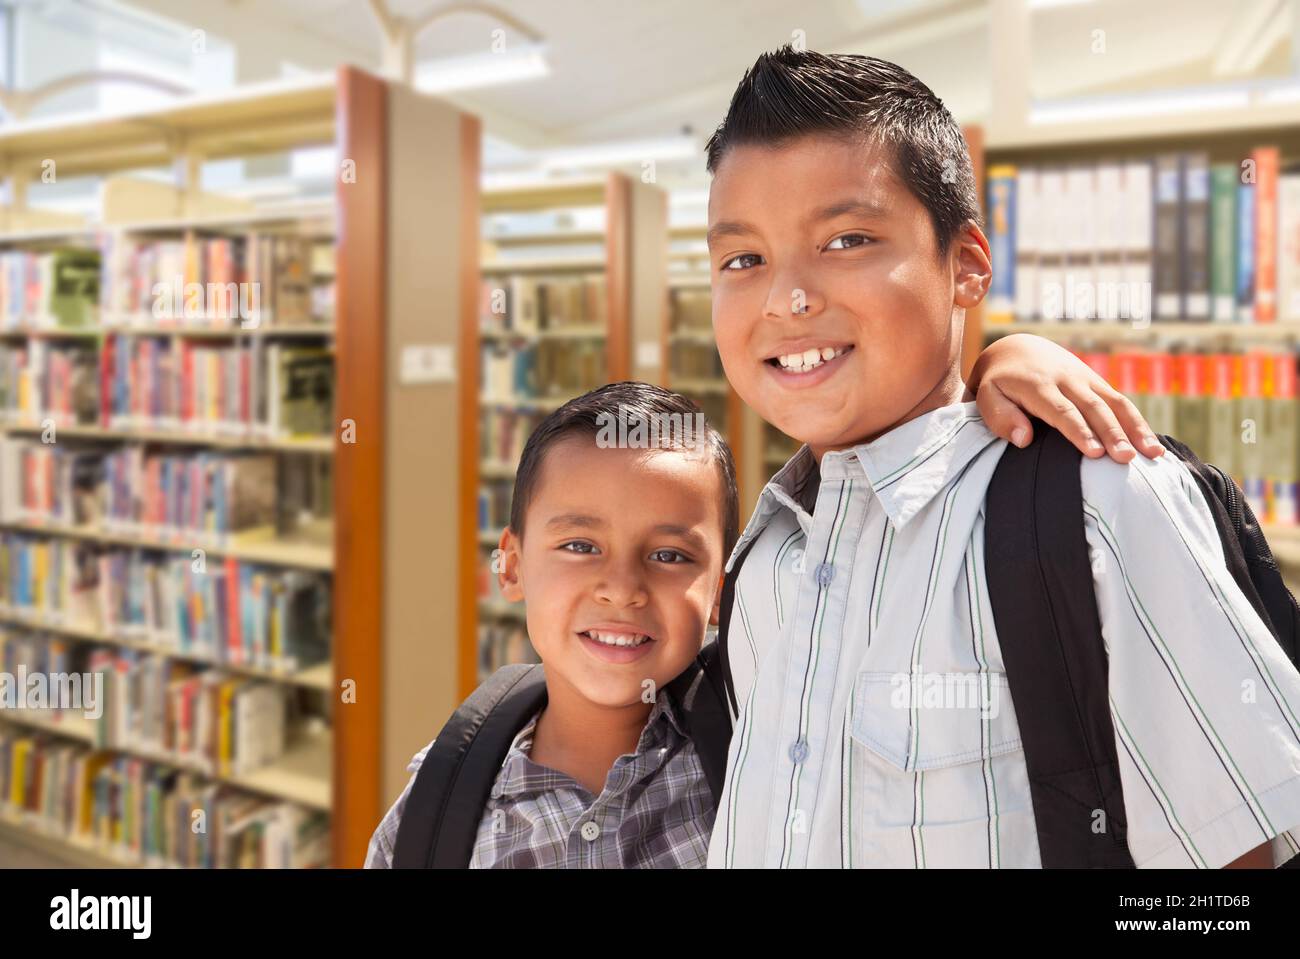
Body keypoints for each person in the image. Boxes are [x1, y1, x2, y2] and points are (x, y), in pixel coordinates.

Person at [703, 45, 1300, 868]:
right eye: (743, 259)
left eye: (846, 239)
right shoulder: (764, 560)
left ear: (967, 265)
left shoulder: (1101, 503)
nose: (786, 298)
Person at [365, 345, 1161, 867]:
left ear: (723, 588)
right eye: (579, 545)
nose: (622, 586)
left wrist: (1002, 356)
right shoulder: (437, 810)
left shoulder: (771, 744)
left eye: (672, 555)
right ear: (508, 564)